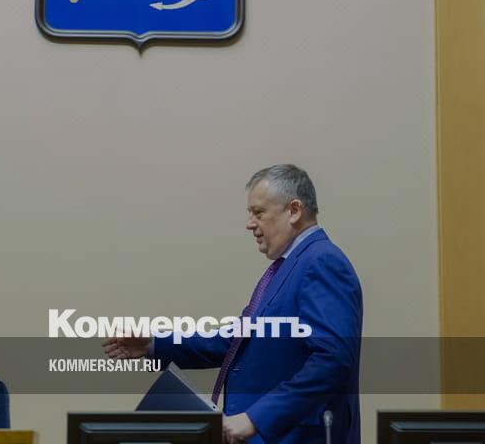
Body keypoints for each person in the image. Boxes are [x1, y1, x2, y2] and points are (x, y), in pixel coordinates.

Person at [103, 164, 363, 444]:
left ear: (294, 210)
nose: (250, 224)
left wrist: (255, 419)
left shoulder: (321, 262)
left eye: (259, 213)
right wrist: (155, 345)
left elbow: (332, 361)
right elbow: (236, 341)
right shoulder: (290, 267)